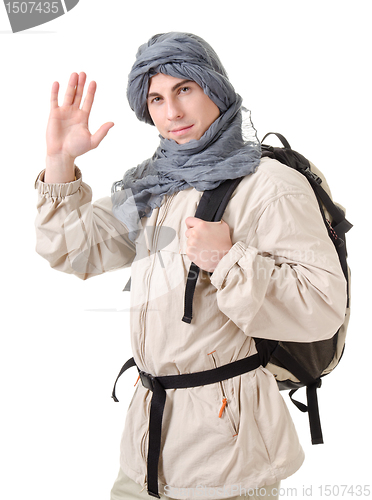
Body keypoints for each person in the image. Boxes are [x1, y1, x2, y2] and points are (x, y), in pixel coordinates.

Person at [35, 32, 347, 500]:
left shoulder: (269, 186)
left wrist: (227, 260)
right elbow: (73, 249)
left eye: (184, 89)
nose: (172, 112)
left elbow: (322, 307)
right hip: (147, 447)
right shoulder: (155, 186)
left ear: (214, 89)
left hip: (229, 453)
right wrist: (60, 160)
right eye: (156, 98)